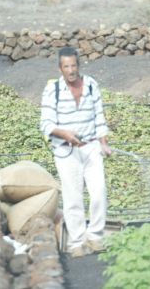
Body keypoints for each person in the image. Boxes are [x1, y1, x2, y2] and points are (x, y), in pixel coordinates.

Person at [40, 47, 112, 258]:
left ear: (79, 65)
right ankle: (77, 241)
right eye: (66, 67)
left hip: (91, 148)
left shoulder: (90, 85)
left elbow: (99, 116)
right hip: (66, 150)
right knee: (73, 198)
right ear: (60, 68)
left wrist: (104, 143)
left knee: (99, 192)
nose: (71, 70)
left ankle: (95, 236)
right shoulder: (52, 90)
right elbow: (46, 124)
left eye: (73, 65)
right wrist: (65, 134)